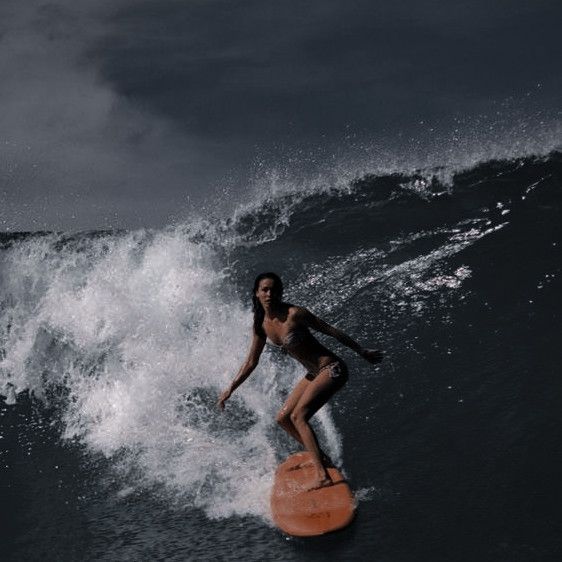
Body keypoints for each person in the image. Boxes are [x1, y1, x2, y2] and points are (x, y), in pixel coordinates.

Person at [217, 272, 383, 490]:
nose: (270, 294)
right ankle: (321, 459)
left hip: (332, 369)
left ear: (280, 292)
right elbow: (250, 362)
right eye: (265, 289)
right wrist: (230, 389)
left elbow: (331, 331)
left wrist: (362, 351)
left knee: (299, 416)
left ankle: (323, 476)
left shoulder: (295, 314)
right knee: (283, 418)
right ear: (256, 294)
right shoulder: (261, 325)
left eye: (274, 289)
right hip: (313, 373)